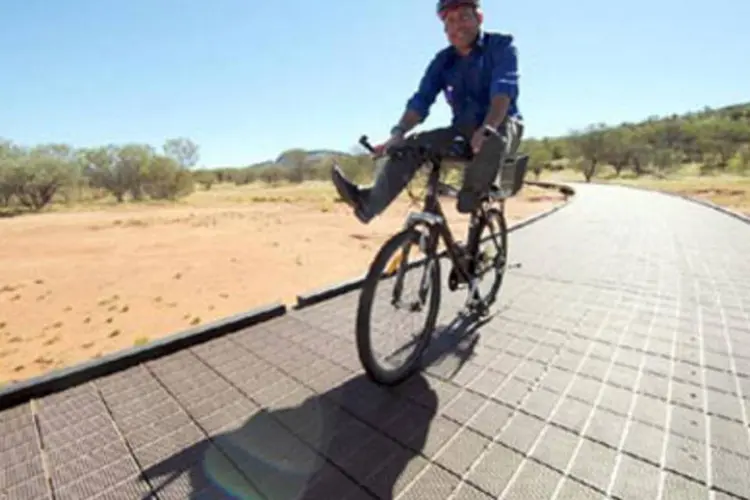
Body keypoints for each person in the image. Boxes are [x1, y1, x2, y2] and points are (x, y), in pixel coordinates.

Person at [332, 0, 524, 223]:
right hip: (462, 130)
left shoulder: (501, 46)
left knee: (493, 135)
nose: (457, 26)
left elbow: (503, 90)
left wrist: (487, 127)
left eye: (463, 17)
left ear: (479, 18)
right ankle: (368, 203)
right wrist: (398, 134)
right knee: (409, 147)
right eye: (450, 21)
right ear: (444, 29)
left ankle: (474, 195)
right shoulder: (443, 61)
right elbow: (421, 101)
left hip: (502, 122)